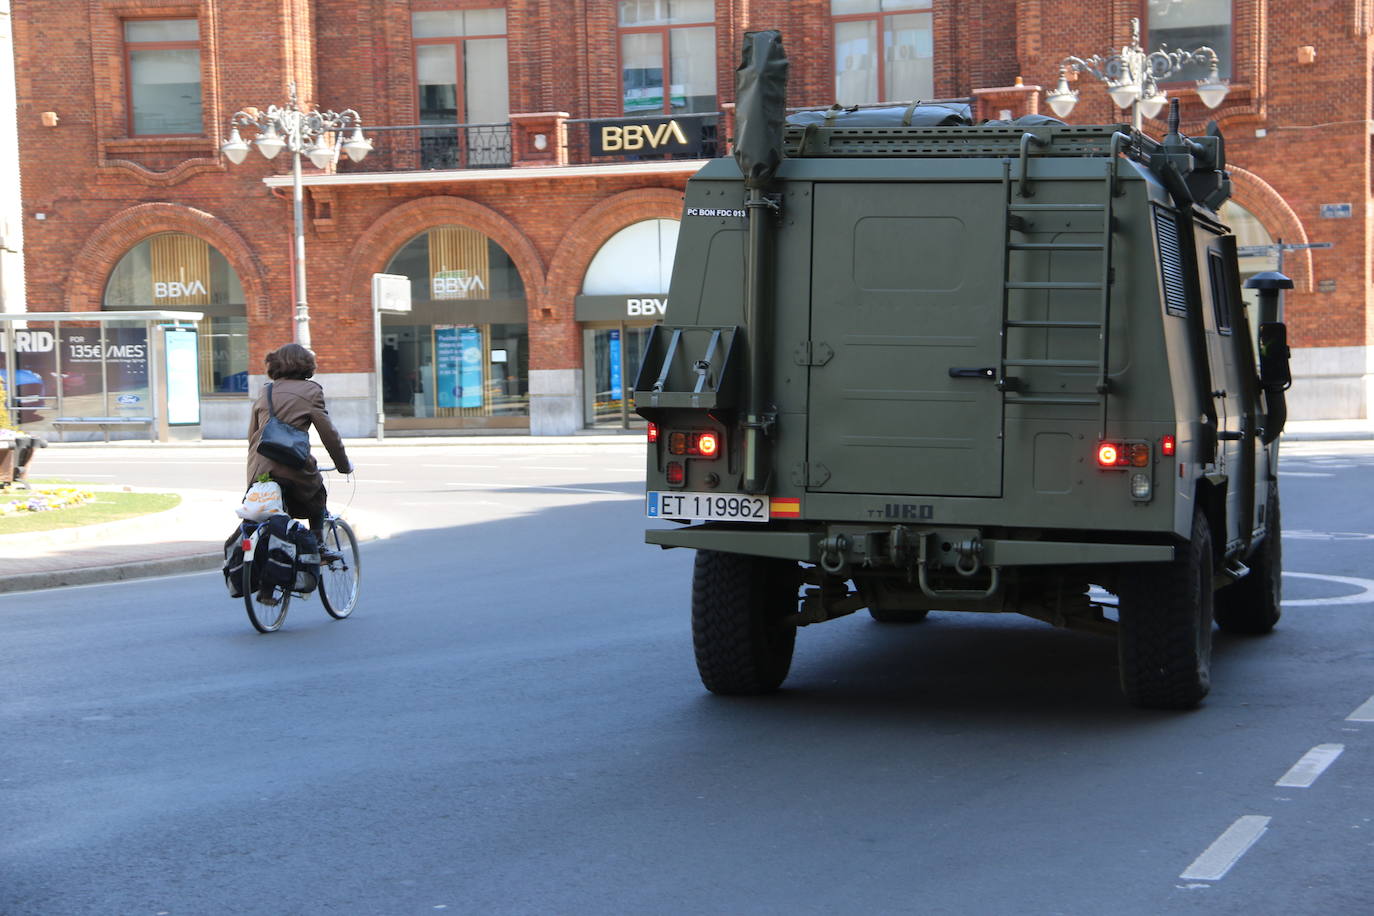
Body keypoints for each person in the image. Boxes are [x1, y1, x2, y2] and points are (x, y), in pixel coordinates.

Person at [246, 343, 352, 537]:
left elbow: (252, 435)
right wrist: (343, 465)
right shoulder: (311, 392)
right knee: (317, 493)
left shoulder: (265, 391)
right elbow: (329, 435)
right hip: (293, 465)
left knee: (257, 510)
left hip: (260, 467)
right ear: (307, 365)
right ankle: (318, 545)